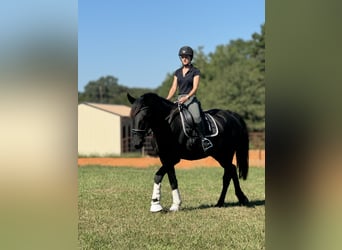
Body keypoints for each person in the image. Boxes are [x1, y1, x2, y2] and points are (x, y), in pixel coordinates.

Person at [166, 46, 213, 151]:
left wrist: (187, 97)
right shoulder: (177, 72)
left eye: (186, 56)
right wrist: (167, 99)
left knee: (196, 117)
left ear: (190, 58)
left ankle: (204, 139)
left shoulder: (195, 71)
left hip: (190, 99)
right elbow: (173, 87)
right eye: (182, 57)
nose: (184, 59)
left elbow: (195, 88)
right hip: (179, 99)